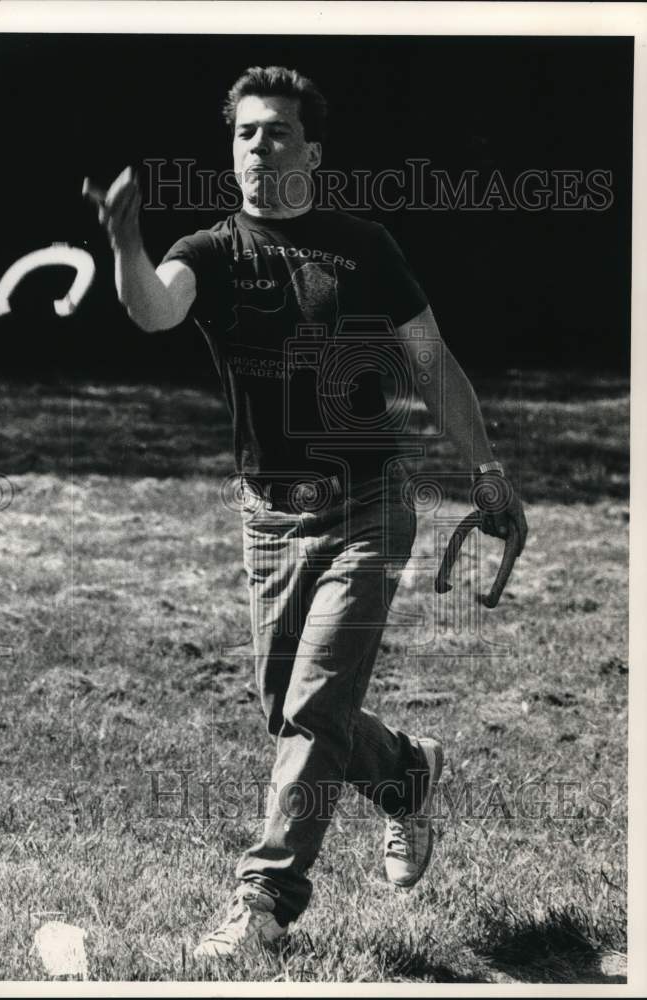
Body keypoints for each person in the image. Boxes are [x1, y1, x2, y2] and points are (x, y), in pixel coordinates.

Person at [86, 65, 528, 959]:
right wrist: (126, 243)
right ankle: (406, 773)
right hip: (268, 517)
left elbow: (431, 363)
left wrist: (487, 471)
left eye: (277, 131)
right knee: (287, 708)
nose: (259, 145)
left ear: (311, 151)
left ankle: (262, 903)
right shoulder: (210, 251)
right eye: (245, 132)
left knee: (315, 703)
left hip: (367, 506)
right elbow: (155, 311)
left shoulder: (361, 245)